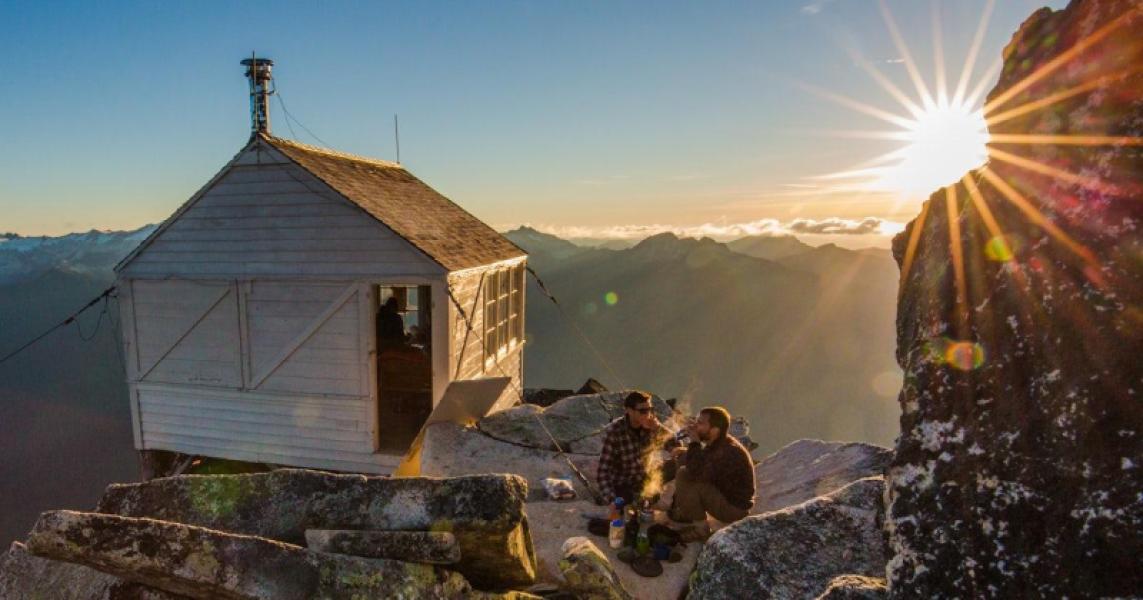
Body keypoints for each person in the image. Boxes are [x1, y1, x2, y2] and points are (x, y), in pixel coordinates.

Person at [668, 406, 755, 528]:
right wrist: (686, 451)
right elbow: (704, 460)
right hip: (724, 494)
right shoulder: (719, 442)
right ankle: (683, 508)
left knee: (684, 474)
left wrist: (694, 441)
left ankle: (701, 527)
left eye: (700, 423)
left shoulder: (728, 452)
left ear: (714, 430)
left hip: (733, 509)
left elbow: (695, 472)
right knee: (684, 457)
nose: (695, 426)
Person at [596, 391, 676, 504]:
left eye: (650, 409)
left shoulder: (651, 425)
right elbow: (603, 472)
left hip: (647, 476)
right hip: (624, 481)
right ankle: (640, 498)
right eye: (643, 411)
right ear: (629, 411)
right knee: (626, 501)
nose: (648, 414)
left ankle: (650, 496)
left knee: (677, 462)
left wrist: (658, 429)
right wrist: (611, 498)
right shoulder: (615, 431)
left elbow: (675, 445)